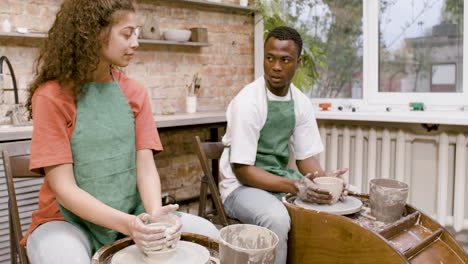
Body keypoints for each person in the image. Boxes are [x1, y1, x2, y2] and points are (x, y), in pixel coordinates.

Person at [22, 0, 218, 263]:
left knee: (209, 233)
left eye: (136, 33)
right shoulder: (51, 96)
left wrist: (155, 216)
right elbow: (64, 189)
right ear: (93, 33)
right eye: (127, 34)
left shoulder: (135, 92)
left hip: (133, 214)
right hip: (66, 221)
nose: (135, 42)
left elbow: (145, 166)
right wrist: (130, 225)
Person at [219, 26, 348, 264]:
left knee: (331, 206)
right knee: (276, 218)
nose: (275, 67)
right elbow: (243, 171)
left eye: (285, 60)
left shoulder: (300, 102)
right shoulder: (248, 102)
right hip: (239, 188)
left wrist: (325, 182)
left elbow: (305, 158)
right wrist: (295, 186)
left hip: (277, 179)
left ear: (297, 63)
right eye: (270, 58)